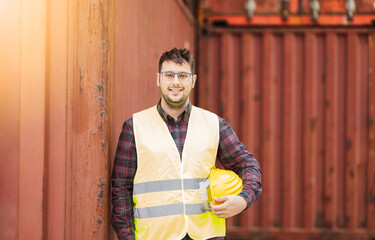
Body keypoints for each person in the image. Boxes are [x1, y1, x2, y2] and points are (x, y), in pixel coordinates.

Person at [111, 48, 262, 240]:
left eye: (183, 75)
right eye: (169, 75)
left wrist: (242, 200)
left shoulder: (214, 124)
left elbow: (248, 165)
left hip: (206, 237)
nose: (175, 82)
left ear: (193, 80)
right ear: (158, 79)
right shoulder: (134, 127)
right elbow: (121, 189)